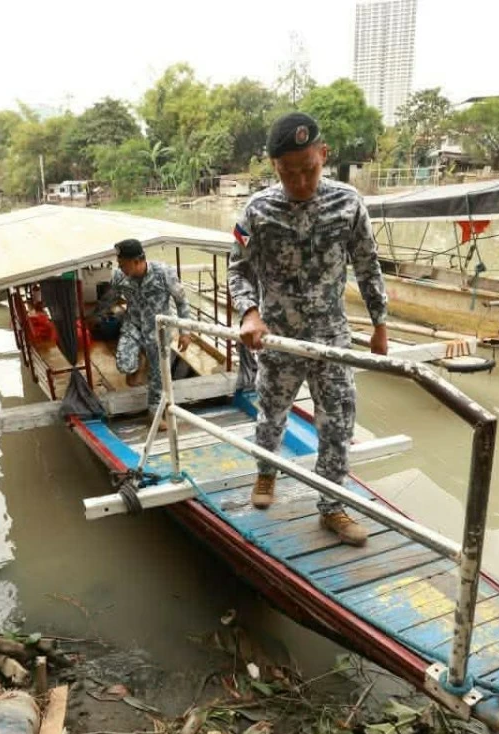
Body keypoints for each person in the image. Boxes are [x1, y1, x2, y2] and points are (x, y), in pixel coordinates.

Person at [228, 111, 390, 548]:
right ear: (273, 167)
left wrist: (379, 323)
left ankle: (332, 506)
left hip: (331, 341)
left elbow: (367, 265)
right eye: (288, 173)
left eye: (309, 170)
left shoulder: (349, 203)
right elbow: (238, 269)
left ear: (324, 154)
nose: (300, 182)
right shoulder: (257, 210)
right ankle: (265, 472)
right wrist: (249, 313)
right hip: (278, 338)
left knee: (337, 425)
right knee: (271, 415)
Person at [107, 239, 192, 425]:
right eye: (119, 264)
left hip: (158, 330)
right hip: (134, 325)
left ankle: (154, 413)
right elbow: (109, 298)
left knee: (158, 374)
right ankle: (140, 360)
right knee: (124, 365)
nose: (120, 268)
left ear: (137, 261)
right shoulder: (119, 277)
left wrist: (185, 332)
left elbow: (182, 302)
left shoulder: (164, 273)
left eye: (123, 264)